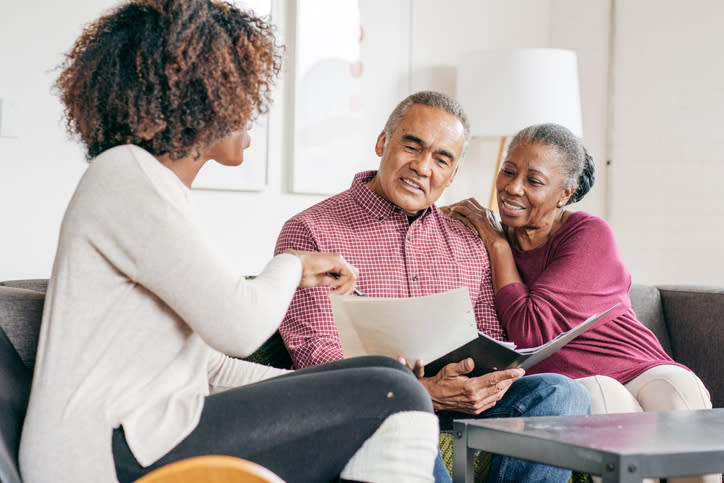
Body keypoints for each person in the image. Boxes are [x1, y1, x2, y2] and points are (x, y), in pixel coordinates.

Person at [18, 2, 441, 482]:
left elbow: (208, 367)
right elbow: (241, 326)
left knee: (392, 380)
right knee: (395, 396)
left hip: (141, 434)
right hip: (101, 451)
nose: (251, 109)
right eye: (239, 91)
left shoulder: (153, 189)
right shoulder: (125, 175)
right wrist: (290, 264)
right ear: (200, 96)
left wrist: (336, 392)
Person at [275, 90, 591, 482]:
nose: (423, 167)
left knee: (563, 394)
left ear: (453, 174)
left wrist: (485, 382)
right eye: (413, 146)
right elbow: (314, 352)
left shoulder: (466, 238)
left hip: (461, 396)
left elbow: (489, 337)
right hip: (373, 402)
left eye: (442, 159)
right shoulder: (311, 231)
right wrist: (422, 390)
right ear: (382, 143)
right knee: (409, 413)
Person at [446, 123, 717, 483]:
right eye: (509, 171)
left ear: (565, 193)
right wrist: (494, 243)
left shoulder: (587, 233)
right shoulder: (484, 239)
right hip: (577, 383)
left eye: (534, 180)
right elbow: (531, 336)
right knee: (606, 399)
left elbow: (529, 324)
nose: (513, 188)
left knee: (680, 394)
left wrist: (498, 247)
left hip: (640, 365)